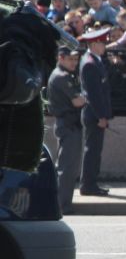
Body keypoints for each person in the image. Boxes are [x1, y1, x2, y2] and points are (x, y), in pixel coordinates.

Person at [44, 42, 83, 212]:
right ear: (61, 58)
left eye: (75, 59)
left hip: (70, 124)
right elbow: (78, 101)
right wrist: (87, 96)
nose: (74, 63)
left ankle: (64, 203)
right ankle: (61, 205)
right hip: (67, 124)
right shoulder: (61, 77)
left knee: (69, 167)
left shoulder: (65, 74)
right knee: (67, 168)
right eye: (70, 59)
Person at [77, 24, 112, 196]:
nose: (104, 46)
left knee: (94, 150)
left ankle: (91, 183)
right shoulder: (90, 64)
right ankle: (88, 185)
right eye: (102, 43)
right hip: (94, 115)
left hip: (94, 114)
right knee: (92, 151)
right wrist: (101, 116)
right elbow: (94, 94)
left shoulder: (92, 61)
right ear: (94, 45)